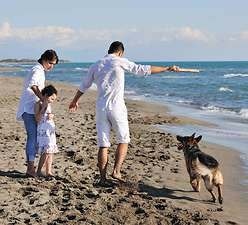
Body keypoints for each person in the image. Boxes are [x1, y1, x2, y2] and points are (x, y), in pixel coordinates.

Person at [69, 41, 180, 185]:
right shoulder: (120, 62)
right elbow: (143, 70)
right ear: (120, 53)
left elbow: (84, 85)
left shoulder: (97, 64)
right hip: (116, 108)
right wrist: (167, 68)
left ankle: (102, 179)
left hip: (101, 108)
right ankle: (116, 171)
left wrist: (75, 101)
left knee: (103, 144)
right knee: (123, 140)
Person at [16, 49, 58, 178]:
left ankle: (34, 168)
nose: (51, 66)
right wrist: (43, 100)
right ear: (44, 60)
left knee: (35, 139)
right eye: (50, 63)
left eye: (53, 64)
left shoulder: (40, 70)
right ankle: (30, 169)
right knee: (32, 138)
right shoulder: (37, 70)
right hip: (28, 109)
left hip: (33, 108)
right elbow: (33, 86)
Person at [34, 85, 59, 177]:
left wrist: (52, 115)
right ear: (45, 95)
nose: (51, 101)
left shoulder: (49, 105)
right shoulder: (38, 105)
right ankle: (39, 170)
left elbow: (50, 114)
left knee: (50, 151)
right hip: (43, 131)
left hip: (50, 130)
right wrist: (43, 109)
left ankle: (48, 171)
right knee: (46, 151)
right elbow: (37, 119)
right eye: (51, 98)